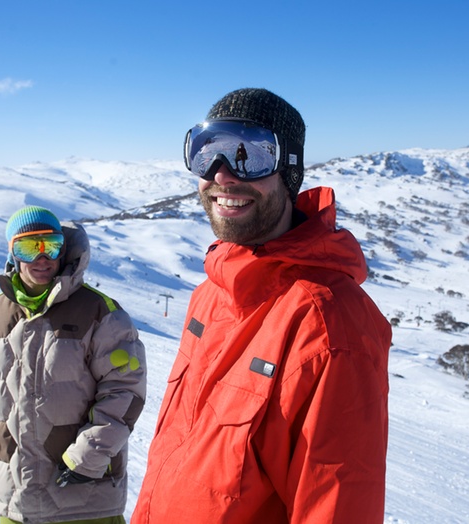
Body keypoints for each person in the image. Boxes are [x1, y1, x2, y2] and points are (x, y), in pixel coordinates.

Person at [132, 88, 392, 523]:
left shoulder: (329, 324)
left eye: (249, 155)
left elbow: (337, 508)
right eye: (206, 153)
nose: (222, 176)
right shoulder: (209, 294)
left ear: (288, 170)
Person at [0, 206, 147, 524]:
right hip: (16, 501)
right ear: (13, 253)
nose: (42, 258)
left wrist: (87, 458)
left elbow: (125, 393)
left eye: (51, 245)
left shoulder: (100, 312)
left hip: (85, 498)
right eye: (29, 247)